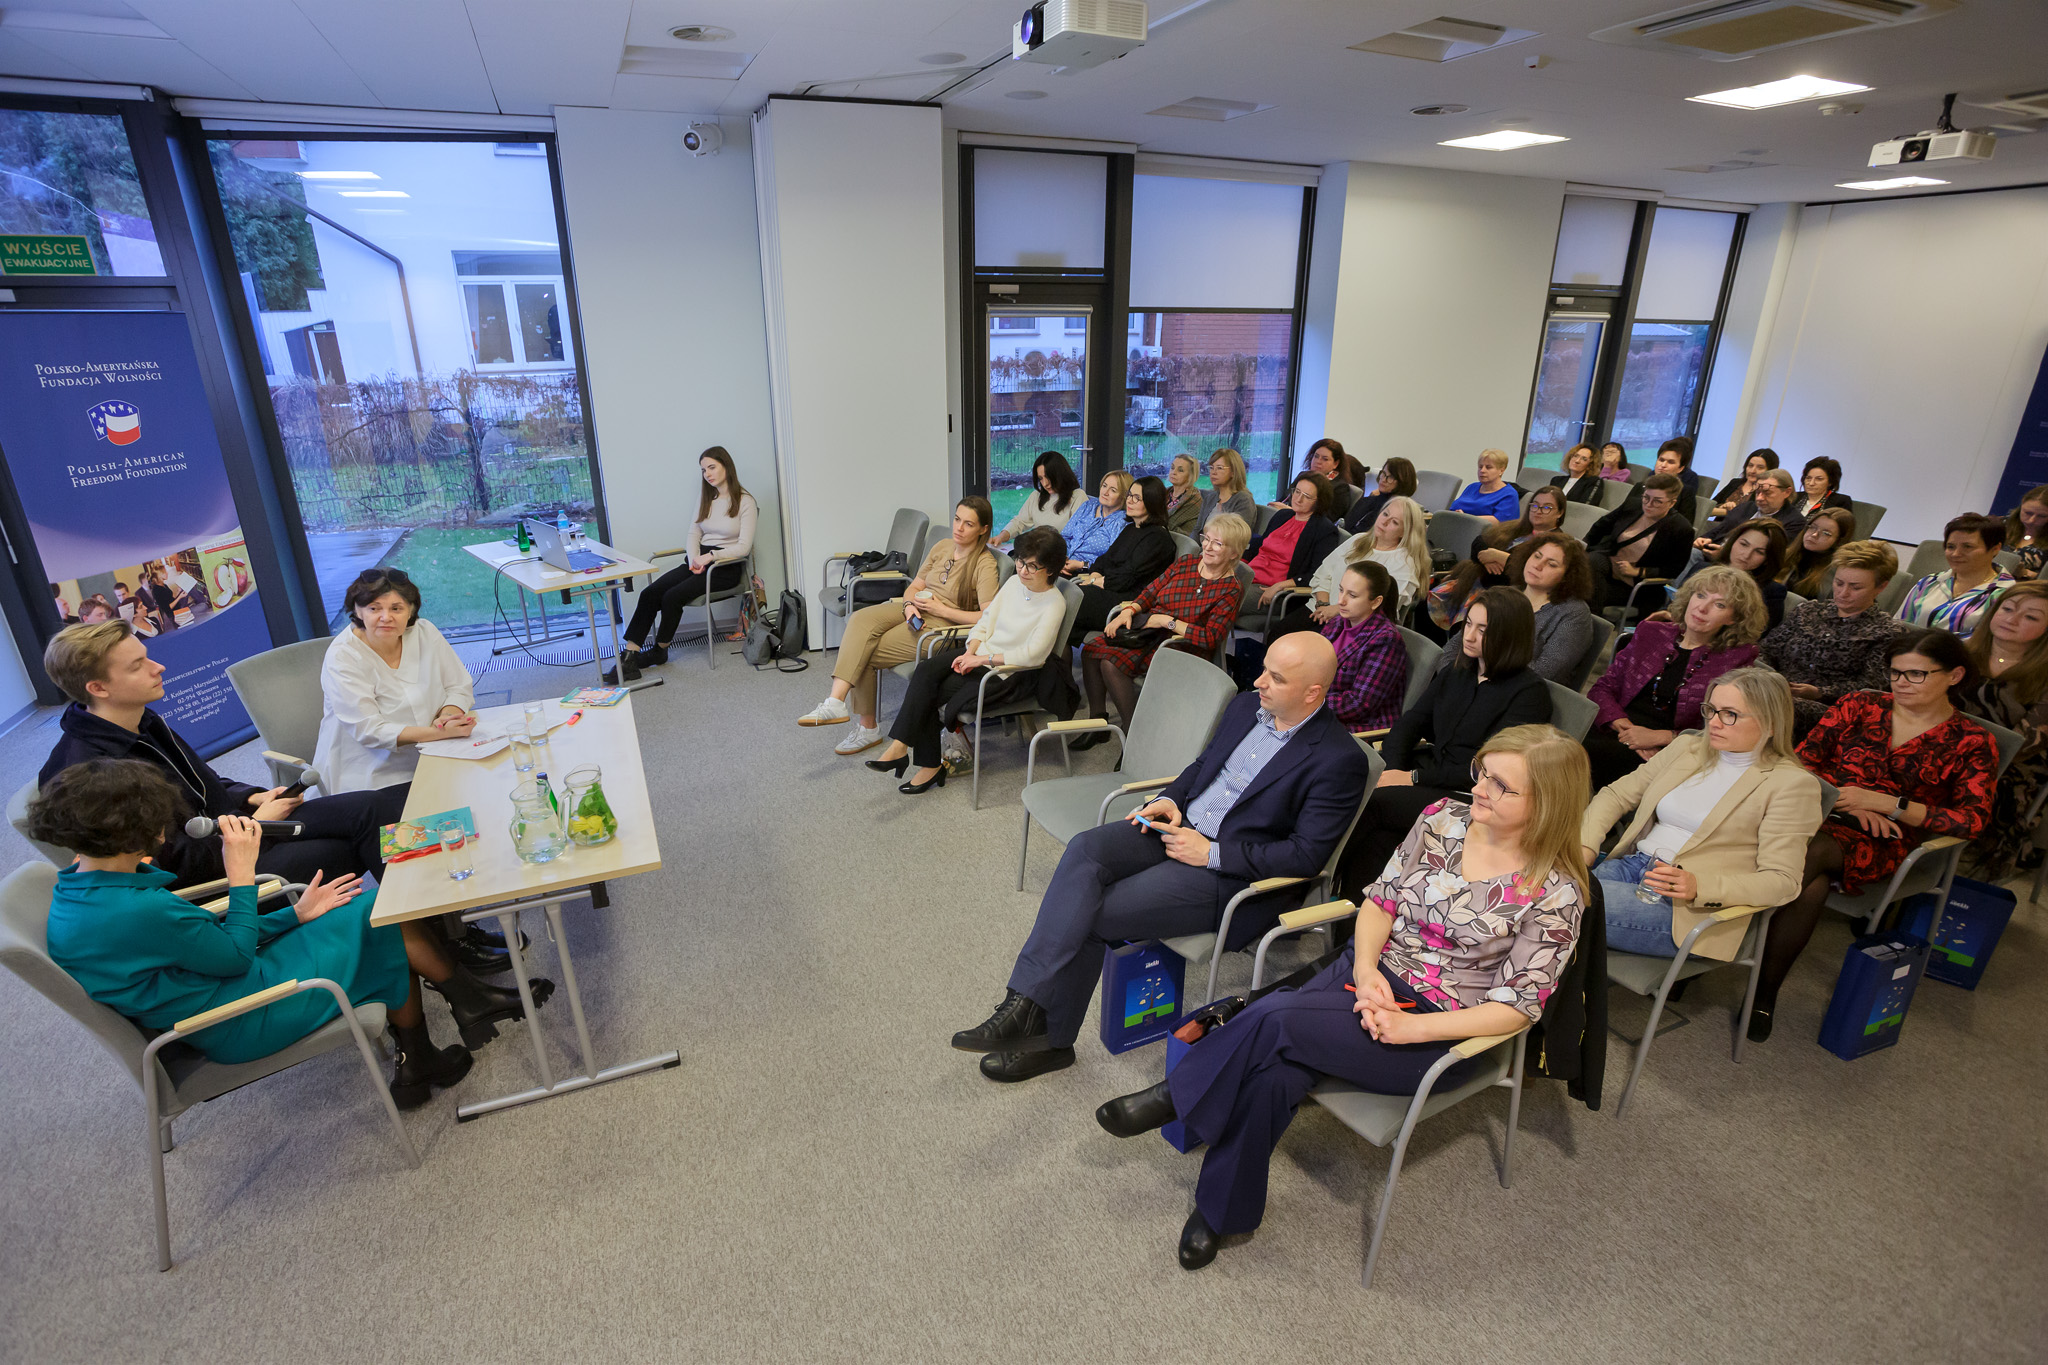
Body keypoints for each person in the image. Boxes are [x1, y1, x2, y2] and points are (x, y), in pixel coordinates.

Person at [1093, 725, 1587, 1270]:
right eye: (1482, 772)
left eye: (1501, 785)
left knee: (1275, 1017)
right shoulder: (1443, 819)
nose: (1480, 788)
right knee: (1274, 1072)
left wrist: (1411, 1028)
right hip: (1369, 972)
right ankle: (1221, 1212)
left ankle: (1176, 1096)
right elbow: (1379, 904)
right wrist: (1368, 969)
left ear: (1546, 805)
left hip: (1438, 1028)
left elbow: (1517, 1008)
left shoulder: (1556, 892)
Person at [949, 632, 1375, 1082]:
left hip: (1230, 875)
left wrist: (1212, 853)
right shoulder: (1246, 707)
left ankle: (1050, 1039)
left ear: (1312, 692)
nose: (1259, 681)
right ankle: (1024, 1004)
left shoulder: (1338, 759)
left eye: (1276, 677)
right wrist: (1170, 798)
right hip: (1179, 826)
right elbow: (1203, 766)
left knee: (1096, 912)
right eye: (1264, 669)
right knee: (1085, 849)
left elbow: (1305, 856)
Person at [33, 759, 525, 1109]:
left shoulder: (78, 890)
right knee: (378, 913)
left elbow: (196, 938)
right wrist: (241, 875)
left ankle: (434, 1042)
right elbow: (232, 955)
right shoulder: (137, 911)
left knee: (364, 911)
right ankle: (456, 1011)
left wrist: (296, 915)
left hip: (209, 995)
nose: (168, 830)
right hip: (239, 1015)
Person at [1751, 631, 1999, 1042]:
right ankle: (1763, 995)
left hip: (1885, 838)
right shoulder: (1861, 704)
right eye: (1895, 673)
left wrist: (1889, 805)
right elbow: (1803, 761)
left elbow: (1971, 820)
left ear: (1954, 675)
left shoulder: (1971, 741)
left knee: (1804, 851)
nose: (1901, 682)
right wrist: (1848, 802)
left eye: (1916, 674)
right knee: (1810, 886)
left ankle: (1718, 944)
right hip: (1821, 808)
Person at [38, 623, 413, 892]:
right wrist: (255, 826)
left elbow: (204, 784)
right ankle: (425, 927)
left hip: (237, 830)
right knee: (361, 841)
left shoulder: (142, 720)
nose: (158, 667)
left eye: (146, 657)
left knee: (372, 807)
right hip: (221, 873)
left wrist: (252, 797)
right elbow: (169, 866)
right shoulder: (89, 774)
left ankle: (426, 914)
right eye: (137, 666)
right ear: (98, 687)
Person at [1582, 669, 1823, 958]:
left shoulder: (1791, 784)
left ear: (1770, 724)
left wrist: (1700, 886)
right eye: (1711, 710)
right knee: (1545, 888)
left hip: (1686, 909)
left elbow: (1782, 881)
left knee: (1557, 904)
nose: (1713, 723)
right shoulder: (1688, 747)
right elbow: (1616, 795)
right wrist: (1586, 845)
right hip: (1633, 865)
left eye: (1730, 714)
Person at [1335, 588, 1551, 899]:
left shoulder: (1529, 695)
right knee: (1375, 829)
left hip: (1471, 795)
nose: (1469, 636)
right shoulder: (1457, 672)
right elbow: (1410, 724)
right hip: (1429, 777)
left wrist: (1410, 779)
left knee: (1375, 802)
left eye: (1483, 630)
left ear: (1508, 636)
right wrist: (1393, 770)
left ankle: (1317, 879)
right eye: (1469, 624)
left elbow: (1488, 771)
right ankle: (1353, 910)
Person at [866, 528, 1071, 795]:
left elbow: (1034, 654)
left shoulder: (1054, 603)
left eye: (1032, 566)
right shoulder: (1013, 584)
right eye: (1021, 561)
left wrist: (981, 659)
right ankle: (901, 747)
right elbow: (985, 621)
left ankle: (924, 763)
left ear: (1051, 569)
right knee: (925, 671)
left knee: (932, 690)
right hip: (981, 654)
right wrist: (970, 650)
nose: (1022, 570)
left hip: (1009, 672)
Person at [796, 498, 1000, 752]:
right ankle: (835, 702)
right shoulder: (943, 546)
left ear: (983, 529)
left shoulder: (984, 564)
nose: (958, 527)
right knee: (859, 620)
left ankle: (867, 729)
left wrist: (942, 610)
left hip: (942, 627)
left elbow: (988, 617)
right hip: (915, 610)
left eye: (968, 524)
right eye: (957, 519)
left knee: (864, 652)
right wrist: (909, 606)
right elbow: (914, 586)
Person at [1584, 566, 1766, 788]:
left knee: (1580, 759)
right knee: (1564, 747)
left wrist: (1659, 737)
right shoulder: (1651, 632)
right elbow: (1602, 688)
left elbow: (1723, 727)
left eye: (1719, 605)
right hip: (1615, 727)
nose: (1702, 608)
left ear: (1734, 618)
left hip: (1674, 749)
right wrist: (1625, 728)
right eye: (1700, 595)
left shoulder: (1735, 659)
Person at [1076, 515, 1248, 742]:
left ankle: (1133, 735)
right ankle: (1097, 723)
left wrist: (1167, 621)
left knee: (1111, 664)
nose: (1207, 546)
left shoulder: (1230, 589)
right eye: (1206, 538)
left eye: (1217, 543)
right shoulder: (1186, 563)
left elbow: (1210, 638)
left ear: (1234, 553)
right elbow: (1150, 591)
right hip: (1148, 631)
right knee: (1091, 651)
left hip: (1180, 645)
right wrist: (1130, 610)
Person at [312, 568, 475, 795]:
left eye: (396, 608)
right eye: (374, 608)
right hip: (372, 776)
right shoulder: (343, 656)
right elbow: (370, 730)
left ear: (411, 610)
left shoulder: (425, 632)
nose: (386, 617)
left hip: (438, 752)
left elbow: (458, 686)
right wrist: (440, 733)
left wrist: (447, 717)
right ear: (358, 611)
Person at [610, 446, 757, 682]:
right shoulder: (706, 498)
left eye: (712, 467)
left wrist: (710, 557)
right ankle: (630, 655)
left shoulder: (745, 501)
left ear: (726, 466)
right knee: (650, 593)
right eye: (703, 470)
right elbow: (693, 532)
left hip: (725, 566)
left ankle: (660, 650)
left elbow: (744, 547)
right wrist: (695, 558)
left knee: (672, 596)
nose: (707, 474)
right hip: (698, 561)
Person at [1757, 540, 1904, 738]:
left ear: (1881, 587)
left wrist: (1820, 692)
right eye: (1839, 583)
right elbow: (1766, 649)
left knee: (1775, 706)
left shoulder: (1887, 631)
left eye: (1855, 587)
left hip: (1830, 711)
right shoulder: (1808, 612)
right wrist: (1770, 679)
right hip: (1776, 691)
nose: (1843, 593)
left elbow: (1871, 689)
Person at [1958, 582, 2048, 878]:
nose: (2012, 619)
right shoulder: (1957, 651)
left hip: (2008, 767)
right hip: (1941, 746)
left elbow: (2023, 744)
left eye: (2030, 616)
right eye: (2007, 608)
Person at [1441, 532, 1597, 683]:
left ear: (1568, 576)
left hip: (1516, 693)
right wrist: (1451, 678)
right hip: (1468, 682)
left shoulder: (1574, 614)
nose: (1538, 565)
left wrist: (1481, 683)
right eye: (1537, 556)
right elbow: (1455, 645)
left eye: (1551, 564)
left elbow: (1545, 672)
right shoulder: (1504, 594)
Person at [1275, 494, 1428, 636]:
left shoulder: (1404, 563)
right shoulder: (1358, 540)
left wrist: (1335, 610)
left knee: (1299, 649)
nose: (1384, 522)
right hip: (1320, 608)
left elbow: (1379, 605)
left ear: (1405, 532)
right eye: (1385, 514)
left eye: (1394, 522)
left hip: (1352, 625)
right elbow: (1324, 573)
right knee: (1278, 634)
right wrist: (1323, 604)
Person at [1428, 486, 1568, 631]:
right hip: (1475, 583)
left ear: (1560, 513)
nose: (1538, 511)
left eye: (1546, 508)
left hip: (1503, 597)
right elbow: (1479, 541)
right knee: (1425, 604)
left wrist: (1503, 558)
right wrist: (1486, 555)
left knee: (1461, 625)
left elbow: (1527, 576)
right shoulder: (1517, 528)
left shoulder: (1556, 545)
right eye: (1535, 505)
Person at [1066, 475, 1178, 646]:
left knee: (1067, 600)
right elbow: (1104, 560)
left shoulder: (1158, 538)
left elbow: (1128, 577)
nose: (1130, 501)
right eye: (1130, 495)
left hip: (1130, 601)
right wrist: (1095, 575)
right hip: (1109, 589)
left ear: (1152, 502)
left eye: (1137, 498)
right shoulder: (1131, 528)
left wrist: (1096, 581)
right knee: (1062, 595)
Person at [1313, 561, 1409, 733]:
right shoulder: (1337, 623)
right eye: (1341, 590)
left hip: (1359, 726)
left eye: (1352, 595)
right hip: (1319, 707)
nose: (1341, 601)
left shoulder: (1386, 639)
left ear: (1376, 602)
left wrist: (1305, 701)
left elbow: (1359, 704)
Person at [1584, 473, 1694, 612]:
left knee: (1584, 591)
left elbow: (1674, 569)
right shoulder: (1633, 505)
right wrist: (1583, 546)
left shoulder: (1681, 528)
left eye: (1657, 501)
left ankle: (1591, 618)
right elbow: (1601, 526)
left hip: (1635, 585)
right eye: (1646, 497)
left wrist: (1638, 571)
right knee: (1590, 563)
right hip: (1609, 566)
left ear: (1672, 503)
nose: (1648, 504)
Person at [1895, 512, 2014, 635]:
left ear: (1995, 549)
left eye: (1968, 547)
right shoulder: (1929, 582)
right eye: (1950, 547)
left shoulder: (2006, 594)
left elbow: (1987, 642)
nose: (1956, 554)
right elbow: (1899, 627)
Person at [1669, 518, 1789, 631]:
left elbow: (1757, 634)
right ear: (1732, 542)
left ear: (1768, 559)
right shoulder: (1702, 569)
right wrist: (1668, 614)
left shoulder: (1772, 592)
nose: (1746, 555)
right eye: (1743, 544)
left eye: (1759, 552)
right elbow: (1675, 604)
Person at [1243, 473, 1344, 605]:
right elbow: (1258, 546)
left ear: (1319, 501)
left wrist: (1280, 586)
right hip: (1250, 576)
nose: (1298, 499)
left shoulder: (1324, 530)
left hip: (1275, 590)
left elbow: (1316, 574)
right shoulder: (1282, 515)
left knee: (1224, 596)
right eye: (1297, 491)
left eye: (1307, 496)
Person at [991, 450, 1081, 547]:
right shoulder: (1036, 496)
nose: (1045, 484)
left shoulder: (1077, 496)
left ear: (1061, 474)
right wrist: (1001, 537)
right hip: (1040, 551)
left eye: (1048, 477)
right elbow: (1020, 522)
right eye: (1041, 478)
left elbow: (1080, 536)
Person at [1697, 468, 1800, 548]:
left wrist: (1723, 554)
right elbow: (1720, 529)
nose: (1759, 498)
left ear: (1787, 492)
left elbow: (1772, 555)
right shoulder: (1746, 507)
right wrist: (1704, 539)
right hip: (1712, 551)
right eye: (1758, 492)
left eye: (1767, 493)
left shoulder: (1794, 522)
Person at [1061, 470, 1133, 571]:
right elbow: (1065, 536)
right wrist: (1061, 559)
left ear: (1124, 496)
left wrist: (1082, 565)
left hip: (1089, 572)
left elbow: (1113, 561)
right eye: (1104, 486)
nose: (1105, 492)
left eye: (1113, 490)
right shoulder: (1088, 506)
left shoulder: (1122, 522)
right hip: (1061, 564)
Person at [1778, 506, 1855, 599]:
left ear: (1839, 541)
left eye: (1826, 533)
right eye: (1813, 527)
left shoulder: (1835, 573)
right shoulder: (1787, 555)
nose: (1814, 534)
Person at [1272, 439, 1358, 519]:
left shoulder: (1340, 488)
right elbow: (1285, 498)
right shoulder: (1303, 476)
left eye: (1325, 459)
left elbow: (1327, 519)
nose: (1318, 461)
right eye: (1316, 456)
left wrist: (1289, 511)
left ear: (1335, 463)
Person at [1343, 456, 1418, 535]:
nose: (1384, 479)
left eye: (1391, 477)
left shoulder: (1395, 512)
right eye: (1383, 473)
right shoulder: (1369, 500)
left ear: (1403, 482)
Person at [1447, 448, 1520, 523]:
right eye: (1480, 467)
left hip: (1479, 529)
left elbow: (1500, 522)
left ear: (1502, 470)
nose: (1482, 470)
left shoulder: (1509, 495)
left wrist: (1465, 518)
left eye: (1488, 467)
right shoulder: (1472, 487)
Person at [1197, 449, 1256, 535]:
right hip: (1203, 542)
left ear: (1233, 472)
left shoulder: (1244, 500)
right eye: (1211, 468)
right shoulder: (1210, 498)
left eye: (1219, 468)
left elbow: (1238, 536)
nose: (1213, 472)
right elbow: (1197, 529)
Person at [1709, 448, 1779, 518]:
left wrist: (1726, 511)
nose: (1752, 471)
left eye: (1760, 467)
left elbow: (1750, 516)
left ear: (1770, 470)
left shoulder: (1766, 491)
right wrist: (1721, 507)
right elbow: (1708, 508)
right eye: (1750, 465)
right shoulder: (1735, 483)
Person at [2003, 484, 2048, 581]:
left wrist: (2026, 573)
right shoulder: (2002, 525)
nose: (2032, 520)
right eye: (2028, 513)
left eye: (2042, 516)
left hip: (2025, 588)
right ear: (2021, 506)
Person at [1792, 456, 1853, 521]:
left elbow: (1843, 525)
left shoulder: (1840, 502)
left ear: (1830, 482)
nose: (1811, 483)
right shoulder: (1794, 497)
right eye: (1808, 478)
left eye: (1819, 479)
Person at [1163, 453, 1204, 538]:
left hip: (1179, 542)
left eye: (1180, 470)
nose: (1174, 472)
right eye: (1172, 468)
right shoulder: (1164, 492)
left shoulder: (1194, 499)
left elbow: (1169, 523)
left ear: (1190, 475)